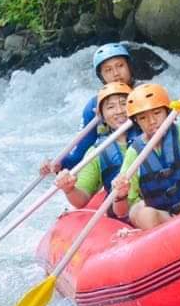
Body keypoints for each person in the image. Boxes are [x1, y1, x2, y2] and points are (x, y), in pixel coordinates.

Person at [111, 84, 180, 229]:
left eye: (157, 113)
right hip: (165, 220)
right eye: (143, 118)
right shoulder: (135, 152)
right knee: (142, 213)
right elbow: (121, 212)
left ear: (167, 112)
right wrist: (120, 195)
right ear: (137, 121)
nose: (151, 122)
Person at [40, 43, 135, 175]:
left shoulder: (148, 94)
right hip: (117, 170)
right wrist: (57, 163)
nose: (116, 74)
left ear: (129, 67)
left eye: (120, 66)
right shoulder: (94, 106)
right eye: (108, 70)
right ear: (101, 76)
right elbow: (79, 155)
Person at [53, 82, 134, 210]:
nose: (119, 111)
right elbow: (81, 199)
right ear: (102, 116)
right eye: (111, 107)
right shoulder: (97, 151)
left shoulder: (153, 134)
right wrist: (69, 189)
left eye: (124, 104)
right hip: (125, 211)